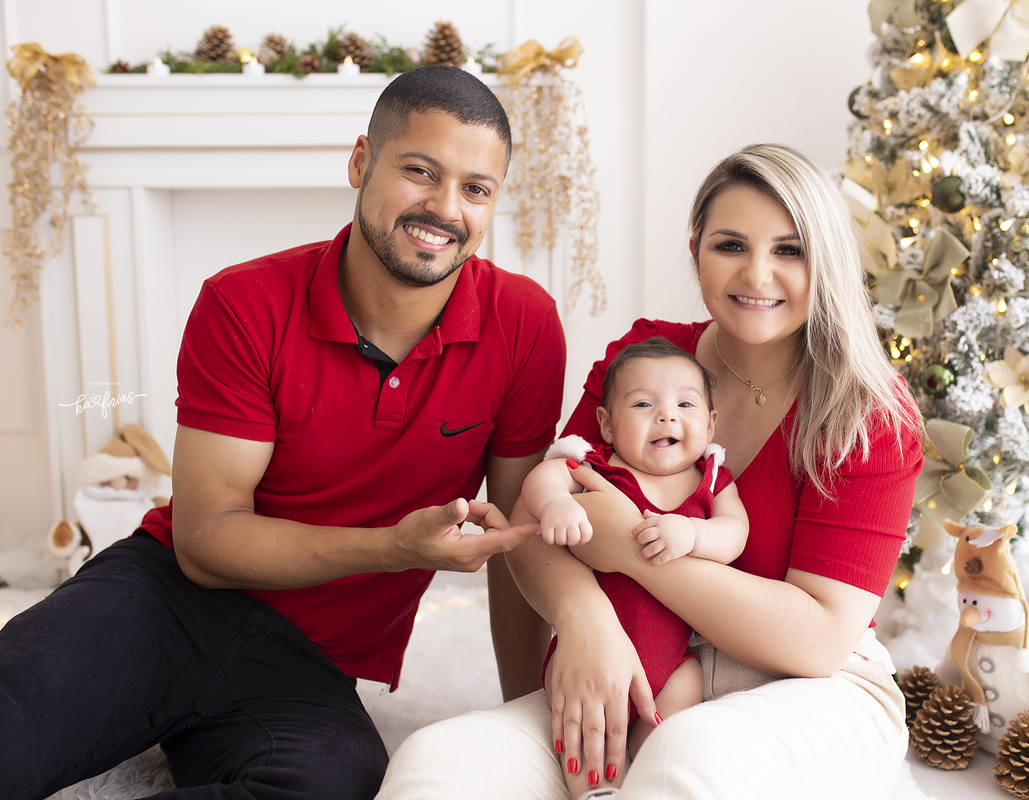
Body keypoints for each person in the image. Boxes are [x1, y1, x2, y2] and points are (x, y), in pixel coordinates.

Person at [0, 65, 565, 800]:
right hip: (166, 603)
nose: (445, 208)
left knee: (337, 785)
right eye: (420, 171)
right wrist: (394, 546)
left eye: (476, 188)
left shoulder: (524, 325)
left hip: (306, 666)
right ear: (361, 162)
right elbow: (206, 542)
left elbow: (514, 541)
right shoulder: (243, 303)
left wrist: (525, 723)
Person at [379, 143, 923, 800]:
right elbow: (532, 523)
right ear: (695, 252)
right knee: (438, 763)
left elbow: (818, 640)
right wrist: (586, 619)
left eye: (790, 250)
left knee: (683, 757)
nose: (757, 273)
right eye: (730, 245)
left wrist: (629, 550)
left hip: (812, 685)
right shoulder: (647, 360)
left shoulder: (869, 412)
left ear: (827, 262)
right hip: (636, 649)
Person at [521, 337, 749, 797]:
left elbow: (735, 532)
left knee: (677, 711)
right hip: (591, 651)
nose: (666, 416)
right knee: (586, 730)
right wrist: (554, 505)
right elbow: (543, 477)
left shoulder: (711, 478)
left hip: (673, 660)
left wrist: (693, 534)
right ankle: (596, 790)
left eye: (685, 404)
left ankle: (650, 772)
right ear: (607, 424)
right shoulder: (597, 466)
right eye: (644, 404)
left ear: (710, 423)